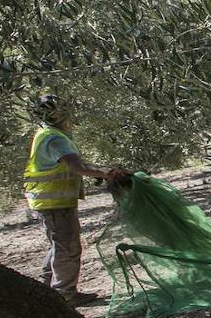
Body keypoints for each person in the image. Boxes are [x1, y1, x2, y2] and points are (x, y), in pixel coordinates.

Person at [22, 94, 131, 305]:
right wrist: (106, 173)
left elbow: (71, 164)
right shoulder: (54, 138)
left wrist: (100, 171)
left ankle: (47, 287)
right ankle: (65, 294)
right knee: (67, 247)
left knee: (58, 245)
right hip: (54, 203)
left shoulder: (45, 133)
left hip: (48, 201)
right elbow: (76, 166)